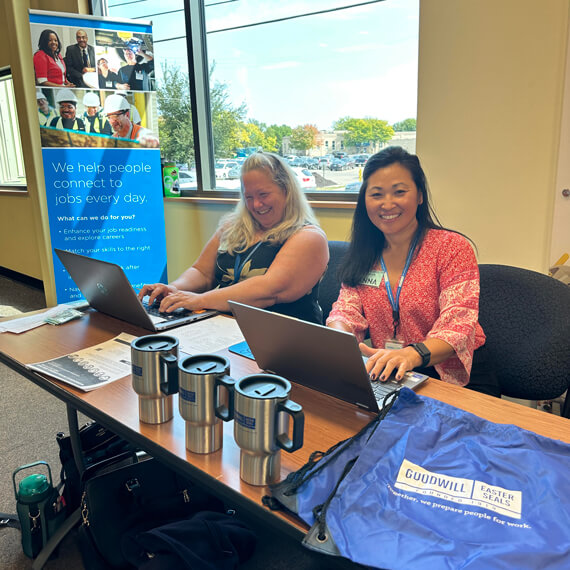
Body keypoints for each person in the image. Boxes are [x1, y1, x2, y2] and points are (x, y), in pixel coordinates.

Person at [326, 146, 500, 396]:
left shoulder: (451, 248)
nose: (387, 204)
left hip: (455, 378)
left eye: (399, 192)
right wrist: (340, 340)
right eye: (376, 194)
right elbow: (345, 311)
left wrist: (411, 355)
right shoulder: (364, 254)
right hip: (392, 373)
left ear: (419, 195)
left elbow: (458, 324)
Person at [139, 152, 329, 324]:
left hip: (284, 340)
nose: (256, 204)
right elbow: (203, 272)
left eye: (264, 194)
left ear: (287, 191)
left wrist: (198, 300)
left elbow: (268, 290)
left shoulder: (308, 237)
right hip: (226, 328)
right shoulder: (232, 227)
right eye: (248, 197)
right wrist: (174, 290)